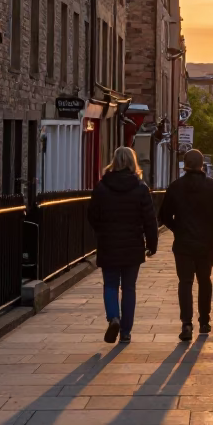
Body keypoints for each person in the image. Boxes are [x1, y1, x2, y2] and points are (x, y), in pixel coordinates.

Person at [158, 149, 213, 341]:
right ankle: (204, 321)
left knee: (185, 282)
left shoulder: (176, 187)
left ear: (185, 165)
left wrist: (178, 229)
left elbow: (164, 216)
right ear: (202, 165)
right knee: (204, 280)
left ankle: (186, 323)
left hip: (183, 242)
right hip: (206, 242)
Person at [88, 147, 159, 345]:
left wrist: (102, 231)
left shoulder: (102, 187)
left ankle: (113, 318)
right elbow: (149, 219)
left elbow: (92, 215)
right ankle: (126, 331)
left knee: (111, 284)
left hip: (109, 243)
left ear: (114, 161)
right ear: (132, 162)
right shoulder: (140, 188)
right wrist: (152, 244)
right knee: (129, 288)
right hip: (132, 245)